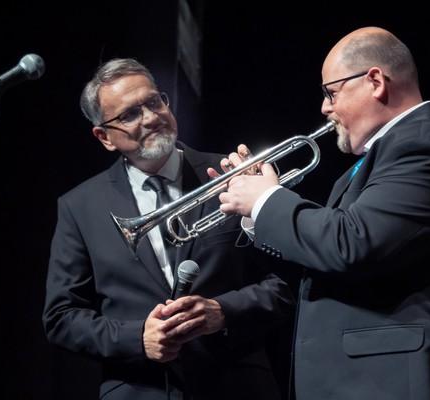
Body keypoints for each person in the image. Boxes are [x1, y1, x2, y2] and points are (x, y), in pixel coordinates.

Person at [215, 27, 430, 399]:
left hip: (398, 384)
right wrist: (257, 214)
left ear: (375, 82)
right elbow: (326, 266)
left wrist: (266, 200)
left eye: (331, 92)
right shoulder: (380, 160)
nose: (325, 108)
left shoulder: (429, 147)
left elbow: (351, 243)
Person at [42, 58, 294, 400]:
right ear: (104, 137)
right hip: (138, 390)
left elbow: (286, 284)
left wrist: (223, 312)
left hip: (237, 385)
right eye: (130, 115)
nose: (151, 117)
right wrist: (137, 338)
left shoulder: (234, 173)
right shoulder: (79, 206)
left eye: (154, 102)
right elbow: (61, 318)